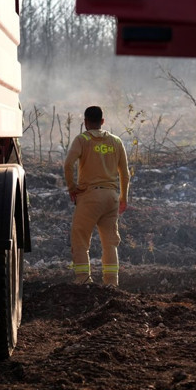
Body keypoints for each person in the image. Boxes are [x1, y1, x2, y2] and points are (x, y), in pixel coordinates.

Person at [63, 106, 130, 286]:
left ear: (85, 122)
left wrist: (72, 187)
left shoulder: (82, 140)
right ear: (102, 122)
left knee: (80, 238)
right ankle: (111, 283)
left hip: (90, 198)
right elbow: (125, 173)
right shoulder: (116, 142)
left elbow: (68, 164)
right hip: (111, 198)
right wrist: (124, 197)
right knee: (110, 242)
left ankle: (83, 280)